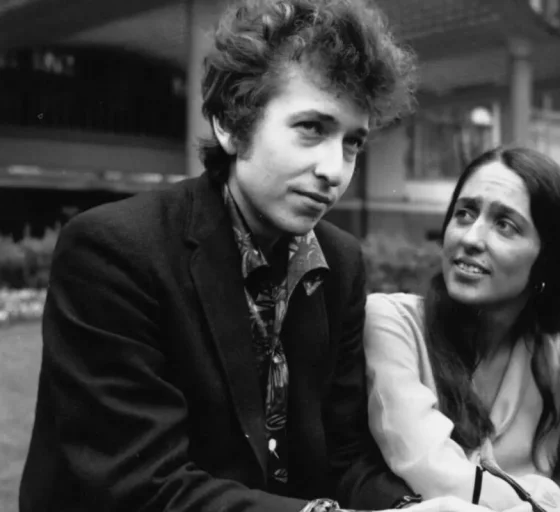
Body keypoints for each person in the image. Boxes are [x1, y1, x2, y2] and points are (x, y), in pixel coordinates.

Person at [18, 2, 498, 512]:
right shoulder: (115, 250)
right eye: (312, 128)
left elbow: (346, 456)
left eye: (353, 143)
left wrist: (410, 509)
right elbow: (143, 486)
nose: (334, 170)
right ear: (231, 123)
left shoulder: (341, 263)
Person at [363, 147, 560, 512]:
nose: (471, 238)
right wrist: (540, 501)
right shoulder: (393, 324)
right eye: (464, 214)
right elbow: (431, 470)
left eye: (505, 225)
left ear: (547, 260)